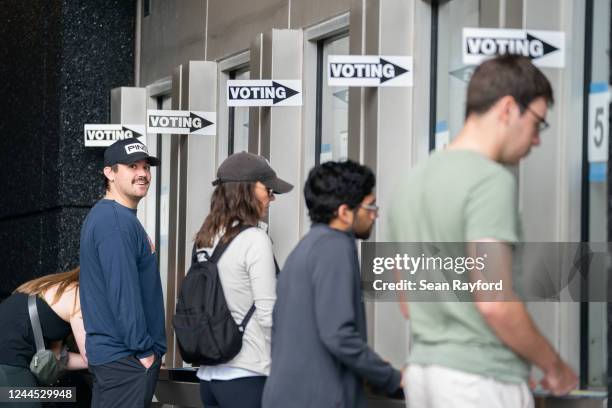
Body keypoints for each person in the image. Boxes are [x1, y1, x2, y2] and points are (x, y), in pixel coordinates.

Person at [388, 55, 577, 408]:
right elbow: (494, 302)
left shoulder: (410, 182)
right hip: (477, 382)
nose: (536, 140)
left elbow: (407, 303)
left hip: (424, 376)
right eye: (537, 124)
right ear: (507, 108)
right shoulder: (490, 181)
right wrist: (553, 364)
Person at [262, 160, 403, 408]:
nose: (375, 214)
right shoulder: (335, 248)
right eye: (370, 206)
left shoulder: (304, 249)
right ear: (344, 212)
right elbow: (338, 335)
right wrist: (391, 377)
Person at [195, 152, 293, 408]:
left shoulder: (205, 238)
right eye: (268, 189)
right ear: (247, 190)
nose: (271, 198)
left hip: (209, 376)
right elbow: (268, 313)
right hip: (247, 375)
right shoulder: (254, 239)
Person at [79, 138, 166, 408]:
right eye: (131, 166)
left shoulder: (114, 217)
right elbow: (123, 292)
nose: (142, 173)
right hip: (126, 359)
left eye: (145, 166)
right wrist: (143, 351)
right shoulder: (114, 221)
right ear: (110, 173)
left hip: (118, 359)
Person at [0, 267, 88, 407]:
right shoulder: (77, 296)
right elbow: (94, 355)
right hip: (8, 367)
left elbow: (58, 357)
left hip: (12, 366)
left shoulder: (54, 286)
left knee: (71, 395)